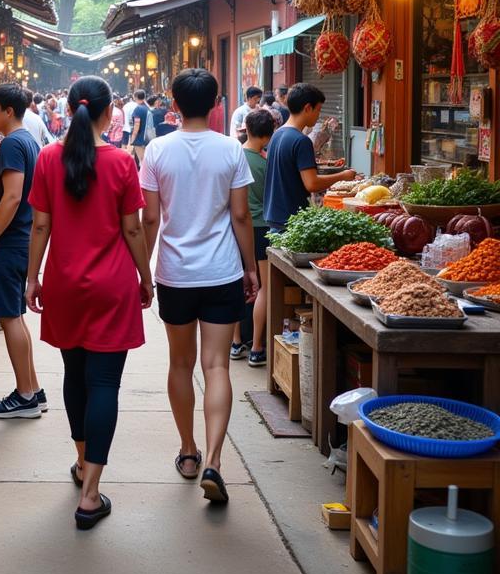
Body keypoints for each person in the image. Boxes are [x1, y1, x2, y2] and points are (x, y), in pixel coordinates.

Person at [26, 76, 152, 529]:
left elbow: (40, 226)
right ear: (107, 114)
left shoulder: (47, 158)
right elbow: (133, 229)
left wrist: (32, 277)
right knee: (104, 385)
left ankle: (82, 463)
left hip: (63, 284)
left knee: (74, 376)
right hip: (111, 286)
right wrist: (146, 276)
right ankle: (91, 492)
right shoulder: (121, 163)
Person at [141, 68, 259, 504]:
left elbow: (150, 218)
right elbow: (241, 217)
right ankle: (214, 459)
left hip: (175, 273)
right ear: (215, 105)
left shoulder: (156, 149)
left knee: (179, 364)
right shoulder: (231, 150)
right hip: (222, 271)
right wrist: (251, 268)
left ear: (174, 103)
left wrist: (143, 270)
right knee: (217, 367)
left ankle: (188, 452)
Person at [0, 84, 45, 419]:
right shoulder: (28, 140)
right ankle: (33, 388)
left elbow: (13, 196)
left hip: (9, 243)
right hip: (21, 240)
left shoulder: (13, 144)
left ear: (7, 111)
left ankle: (25, 396)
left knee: (10, 317)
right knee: (15, 316)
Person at [263, 83, 357, 231]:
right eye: (318, 110)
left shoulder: (277, 134)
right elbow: (312, 184)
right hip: (291, 220)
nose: (319, 115)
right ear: (307, 108)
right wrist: (344, 175)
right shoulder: (301, 141)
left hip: (275, 217)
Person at [230, 108, 275, 366]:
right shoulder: (265, 163)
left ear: (245, 129)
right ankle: (257, 347)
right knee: (264, 288)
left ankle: (236, 343)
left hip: (236, 228)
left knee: (237, 284)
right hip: (261, 228)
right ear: (268, 136)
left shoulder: (234, 157)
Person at [127, 89, 150, 163]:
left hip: (139, 139)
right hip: (148, 138)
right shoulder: (148, 108)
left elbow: (137, 124)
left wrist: (132, 139)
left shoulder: (138, 109)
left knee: (142, 161)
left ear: (135, 97)